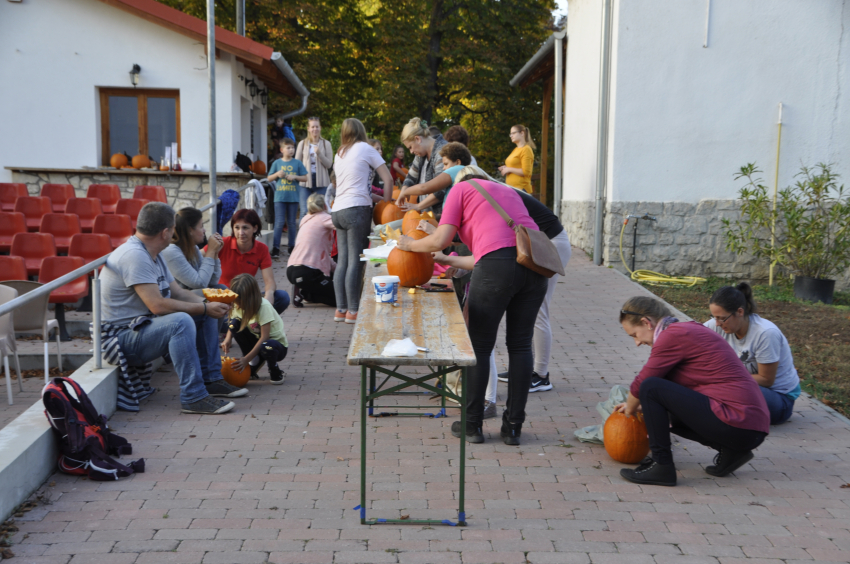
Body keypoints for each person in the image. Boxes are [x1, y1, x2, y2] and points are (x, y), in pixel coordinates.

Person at [397, 177, 548, 445]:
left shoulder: (461, 189)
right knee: (521, 345)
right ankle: (513, 427)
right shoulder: (506, 192)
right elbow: (491, 254)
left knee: (479, 345)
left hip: (498, 267)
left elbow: (441, 240)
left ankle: (472, 423)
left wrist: (409, 245)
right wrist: (452, 258)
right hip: (534, 264)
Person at [100, 202, 248, 415]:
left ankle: (211, 380)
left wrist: (207, 305)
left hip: (142, 328)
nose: (174, 234)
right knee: (182, 320)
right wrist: (204, 309)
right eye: (173, 229)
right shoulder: (135, 256)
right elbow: (157, 305)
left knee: (200, 308)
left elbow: (177, 292)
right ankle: (193, 396)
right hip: (120, 339)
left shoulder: (154, 252)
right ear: (165, 232)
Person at [615, 296, 770, 487]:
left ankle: (661, 466)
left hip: (739, 421)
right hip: (750, 428)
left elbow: (643, 383)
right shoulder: (685, 330)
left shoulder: (673, 335)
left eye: (634, 335)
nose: (637, 342)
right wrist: (644, 407)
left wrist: (629, 410)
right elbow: (673, 397)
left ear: (646, 323)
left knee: (651, 386)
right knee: (657, 398)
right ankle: (732, 452)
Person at [705, 283, 801, 425]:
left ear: (740, 312)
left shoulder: (765, 333)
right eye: (714, 317)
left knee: (732, 391)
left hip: (778, 399)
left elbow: (766, 380)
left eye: (722, 318)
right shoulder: (716, 325)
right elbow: (691, 338)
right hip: (742, 388)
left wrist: (725, 379)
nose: (717, 323)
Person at [331, 118, 394, 324]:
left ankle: (340, 310)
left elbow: (353, 187)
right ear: (361, 131)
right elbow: (388, 178)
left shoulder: (339, 153)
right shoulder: (366, 148)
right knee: (356, 261)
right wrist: (387, 203)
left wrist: (376, 198)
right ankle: (354, 311)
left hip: (338, 210)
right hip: (357, 211)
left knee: (342, 261)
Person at [211, 209, 290, 315]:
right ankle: (245, 325)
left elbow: (269, 281)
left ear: (255, 228)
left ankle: (253, 323)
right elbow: (198, 255)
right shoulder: (223, 243)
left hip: (246, 299)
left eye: (245, 228)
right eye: (237, 228)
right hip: (224, 300)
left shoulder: (262, 249)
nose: (241, 233)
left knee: (282, 297)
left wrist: (269, 296)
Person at [222, 274, 289, 385]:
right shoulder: (237, 304)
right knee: (234, 325)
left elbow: (264, 337)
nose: (237, 305)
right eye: (236, 302)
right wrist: (228, 339)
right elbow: (233, 320)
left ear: (249, 299)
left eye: (239, 302)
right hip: (256, 339)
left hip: (275, 345)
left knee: (267, 345)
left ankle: (274, 368)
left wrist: (246, 359)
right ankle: (255, 361)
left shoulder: (264, 307)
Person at [287, 193, 336, 308]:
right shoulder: (324, 218)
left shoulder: (305, 220)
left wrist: (338, 269)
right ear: (325, 205)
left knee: (331, 292)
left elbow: (324, 257)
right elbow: (342, 225)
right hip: (307, 272)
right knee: (342, 299)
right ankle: (305, 293)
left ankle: (305, 289)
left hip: (291, 270)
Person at [396, 143, 472, 213]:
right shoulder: (467, 172)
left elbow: (424, 187)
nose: (443, 168)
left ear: (458, 162)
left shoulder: (457, 169)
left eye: (446, 164)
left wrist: (405, 192)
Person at [161, 208, 223, 292]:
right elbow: (200, 283)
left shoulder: (193, 248)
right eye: (201, 226)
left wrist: (215, 253)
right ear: (190, 230)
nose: (204, 231)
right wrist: (210, 251)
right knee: (209, 293)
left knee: (221, 287)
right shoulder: (170, 251)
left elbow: (212, 281)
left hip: (192, 297)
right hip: (176, 300)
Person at [268, 138, 308, 257]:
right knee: (279, 222)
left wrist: (295, 177)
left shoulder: (297, 163)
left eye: (293, 147)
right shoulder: (277, 163)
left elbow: (305, 178)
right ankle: (276, 248)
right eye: (288, 148)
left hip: (293, 197)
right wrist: (277, 174)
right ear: (282, 150)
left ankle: (292, 247)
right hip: (279, 197)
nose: (291, 150)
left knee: (291, 223)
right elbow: (269, 178)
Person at [401, 118, 448, 213]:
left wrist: (418, 206)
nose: (411, 152)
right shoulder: (421, 153)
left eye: (410, 147)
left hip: (441, 214)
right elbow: (411, 176)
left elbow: (441, 190)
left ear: (417, 139)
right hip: (426, 214)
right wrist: (403, 191)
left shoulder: (442, 151)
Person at [295, 117, 333, 218]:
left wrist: (320, 154)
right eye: (312, 127)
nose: (314, 129)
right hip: (305, 182)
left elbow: (329, 164)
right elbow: (296, 164)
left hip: (322, 182)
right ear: (308, 128)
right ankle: (304, 233)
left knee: (321, 212)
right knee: (304, 211)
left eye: (317, 127)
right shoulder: (302, 144)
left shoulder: (326, 144)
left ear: (320, 128)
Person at [498, 124, 535, 194]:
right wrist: (506, 168)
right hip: (512, 189)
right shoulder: (515, 149)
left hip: (521, 190)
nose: (511, 136)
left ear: (522, 133)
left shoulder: (526, 149)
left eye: (513, 133)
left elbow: (526, 172)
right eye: (510, 134)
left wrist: (509, 169)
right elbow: (516, 166)